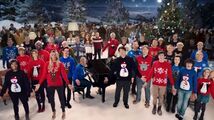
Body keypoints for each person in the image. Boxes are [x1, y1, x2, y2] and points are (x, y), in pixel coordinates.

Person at [35, 50, 73, 119]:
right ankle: (53, 111)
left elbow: (64, 75)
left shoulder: (60, 64)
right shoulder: (47, 64)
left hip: (59, 84)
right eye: (52, 55)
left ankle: (63, 112)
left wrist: (68, 84)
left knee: (61, 99)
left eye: (55, 55)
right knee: (51, 99)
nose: (53, 56)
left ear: (57, 56)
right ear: (50, 56)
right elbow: (44, 75)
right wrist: (39, 84)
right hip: (50, 84)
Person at [146, 51, 176, 116]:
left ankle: (159, 108)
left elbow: (170, 75)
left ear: (164, 56)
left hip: (163, 84)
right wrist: (146, 81)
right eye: (160, 55)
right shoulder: (155, 63)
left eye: (162, 55)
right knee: (154, 96)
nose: (161, 57)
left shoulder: (168, 64)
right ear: (158, 56)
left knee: (161, 96)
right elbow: (151, 73)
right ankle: (154, 107)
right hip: (155, 83)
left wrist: (173, 85)